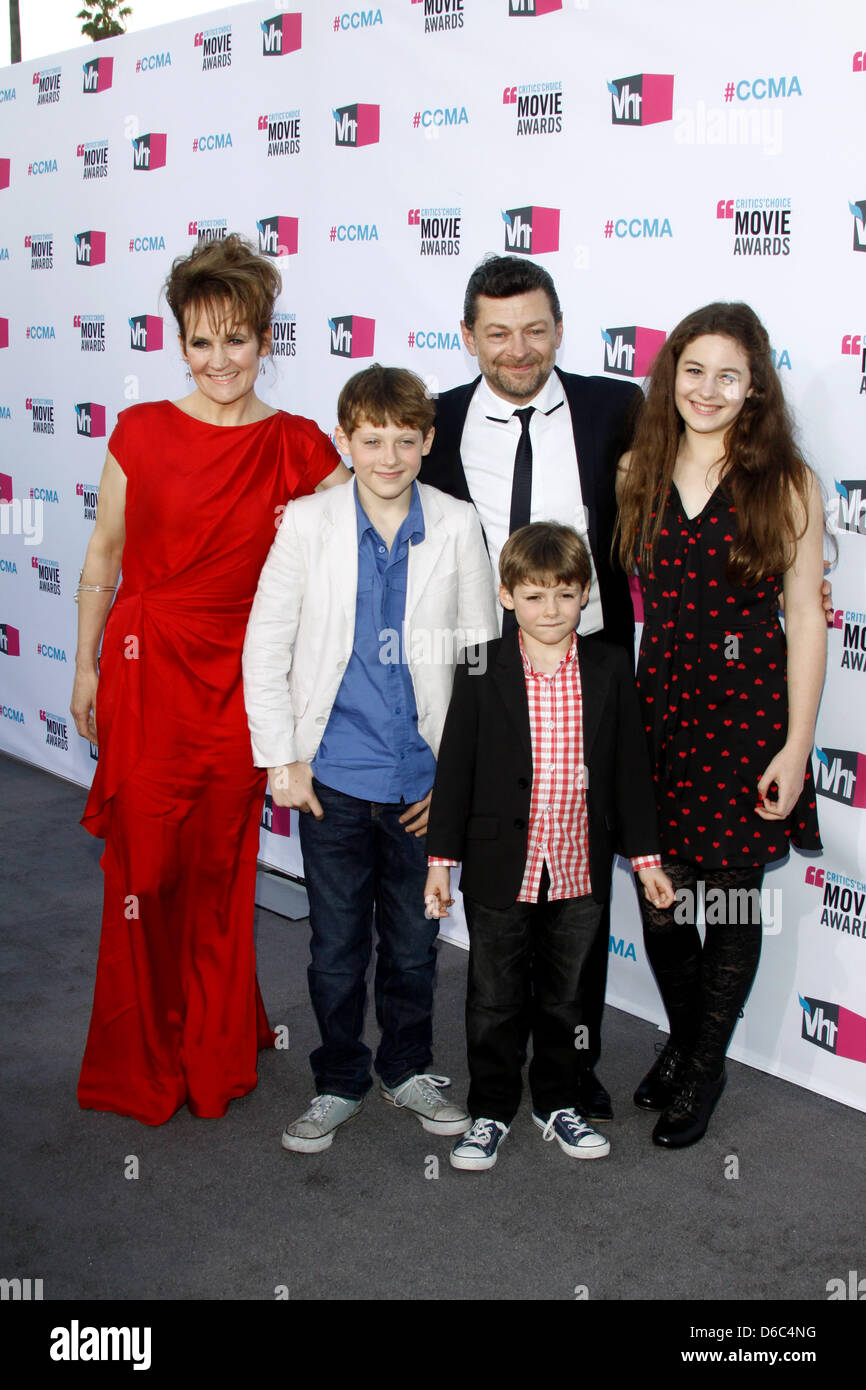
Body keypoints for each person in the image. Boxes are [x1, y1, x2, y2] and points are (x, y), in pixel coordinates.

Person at [70, 234, 348, 1126]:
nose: (219, 360)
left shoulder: (300, 447)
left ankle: (214, 1049)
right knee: (144, 874)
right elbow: (102, 560)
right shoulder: (141, 432)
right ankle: (142, 1049)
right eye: (201, 341)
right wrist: (83, 665)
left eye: (237, 339)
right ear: (179, 343)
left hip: (241, 687)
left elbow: (364, 538)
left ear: (267, 341)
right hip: (146, 675)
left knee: (220, 873)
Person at [242, 365, 499, 1153]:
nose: (388, 456)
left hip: (422, 783)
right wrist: (282, 760)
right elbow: (268, 643)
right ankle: (339, 1078)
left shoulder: (456, 524)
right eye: (371, 439)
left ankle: (407, 1067)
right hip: (334, 782)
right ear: (346, 441)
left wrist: (456, 782)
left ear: (427, 442)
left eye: (405, 440)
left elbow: (481, 662)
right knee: (336, 947)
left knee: (416, 947)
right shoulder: (307, 522)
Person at [420, 254, 642, 1118]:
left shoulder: (615, 409)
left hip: (587, 673)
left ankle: (570, 1082)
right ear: (469, 334)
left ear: (560, 328)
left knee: (579, 897)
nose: (519, 349)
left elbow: (699, 480)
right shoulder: (434, 422)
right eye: (499, 332)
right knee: (500, 909)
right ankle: (491, 1092)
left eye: (536, 329)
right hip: (482, 676)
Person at [616, 302, 827, 1148]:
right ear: (672, 375)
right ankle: (692, 1042)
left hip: (747, 719)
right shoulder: (636, 465)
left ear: (754, 386)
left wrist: (798, 747)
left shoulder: (788, 482)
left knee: (732, 903)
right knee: (661, 898)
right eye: (693, 371)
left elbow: (806, 621)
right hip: (657, 710)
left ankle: (700, 1072)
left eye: (727, 375)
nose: (707, 389)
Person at [423, 523, 674, 1170]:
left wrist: (646, 862)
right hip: (498, 867)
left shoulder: (611, 665)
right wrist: (440, 864)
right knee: (493, 998)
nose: (551, 611)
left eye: (564, 595)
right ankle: (491, 1110)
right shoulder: (479, 664)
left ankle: (557, 1102)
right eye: (534, 597)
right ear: (507, 596)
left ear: (585, 594)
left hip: (577, 868)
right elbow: (455, 770)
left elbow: (629, 774)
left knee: (567, 998)